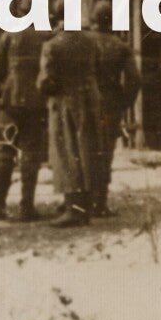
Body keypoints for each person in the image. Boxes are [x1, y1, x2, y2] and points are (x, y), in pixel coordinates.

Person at [0, 25, 53, 221]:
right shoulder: (46, 36)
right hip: (36, 101)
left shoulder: (9, 35)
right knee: (31, 154)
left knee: (5, 152)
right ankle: (27, 206)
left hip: (10, 100)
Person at [38, 22, 102, 227]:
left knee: (67, 153)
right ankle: (85, 206)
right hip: (89, 101)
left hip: (64, 102)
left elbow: (45, 80)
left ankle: (73, 208)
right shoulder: (92, 42)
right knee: (86, 152)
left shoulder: (52, 45)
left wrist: (45, 89)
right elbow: (99, 70)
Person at [87, 2, 141, 218]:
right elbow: (134, 79)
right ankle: (100, 202)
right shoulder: (120, 46)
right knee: (105, 153)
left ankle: (79, 200)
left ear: (93, 21)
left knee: (83, 151)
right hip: (110, 103)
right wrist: (123, 102)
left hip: (86, 101)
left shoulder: (84, 42)